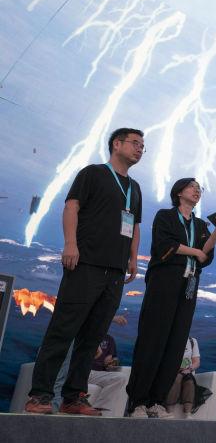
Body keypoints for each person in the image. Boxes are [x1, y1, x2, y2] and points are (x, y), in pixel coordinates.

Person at [24, 128, 144, 416]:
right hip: (86, 263)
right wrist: (70, 243)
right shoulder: (93, 173)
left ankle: (74, 397)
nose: (140, 149)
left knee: (93, 336)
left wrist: (132, 258)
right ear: (117, 144)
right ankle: (40, 395)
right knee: (63, 329)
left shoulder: (135, 188)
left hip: (115, 271)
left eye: (143, 146)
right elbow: (72, 206)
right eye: (135, 143)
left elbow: (134, 225)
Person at [125, 177, 216, 418]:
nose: (197, 191)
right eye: (192, 186)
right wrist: (194, 251)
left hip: (188, 286)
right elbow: (165, 244)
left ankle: (156, 401)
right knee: (153, 339)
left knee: (175, 343)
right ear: (179, 192)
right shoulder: (165, 216)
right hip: (164, 281)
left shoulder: (200, 225)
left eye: (199, 189)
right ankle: (138, 401)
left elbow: (205, 254)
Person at [51, 314, 128, 411]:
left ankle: (100, 411)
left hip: (92, 373)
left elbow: (112, 360)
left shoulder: (109, 339)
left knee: (120, 377)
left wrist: (112, 363)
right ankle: (59, 406)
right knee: (65, 373)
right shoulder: (78, 336)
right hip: (75, 371)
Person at [164, 337, 208, 418]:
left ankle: (188, 413)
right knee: (177, 378)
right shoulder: (169, 339)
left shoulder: (192, 341)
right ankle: (169, 412)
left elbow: (196, 362)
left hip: (187, 373)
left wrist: (189, 369)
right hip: (172, 374)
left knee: (189, 381)